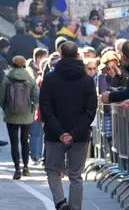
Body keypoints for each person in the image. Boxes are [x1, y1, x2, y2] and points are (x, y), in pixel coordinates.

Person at [40, 41, 97, 210]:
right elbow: (90, 110)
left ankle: (60, 202)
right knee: (76, 175)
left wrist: (59, 132)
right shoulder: (87, 80)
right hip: (79, 135)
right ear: (78, 56)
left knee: (52, 170)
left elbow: (45, 107)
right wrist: (73, 132)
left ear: (61, 55)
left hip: (54, 133)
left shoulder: (50, 78)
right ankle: (75, 207)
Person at [0, 55, 38, 179]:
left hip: (11, 115)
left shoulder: (7, 78)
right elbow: (36, 95)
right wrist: (32, 108)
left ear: (12, 65)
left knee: (14, 143)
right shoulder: (30, 78)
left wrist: (6, 108)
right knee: (25, 141)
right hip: (27, 115)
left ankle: (17, 169)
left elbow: (0, 96)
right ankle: (26, 168)